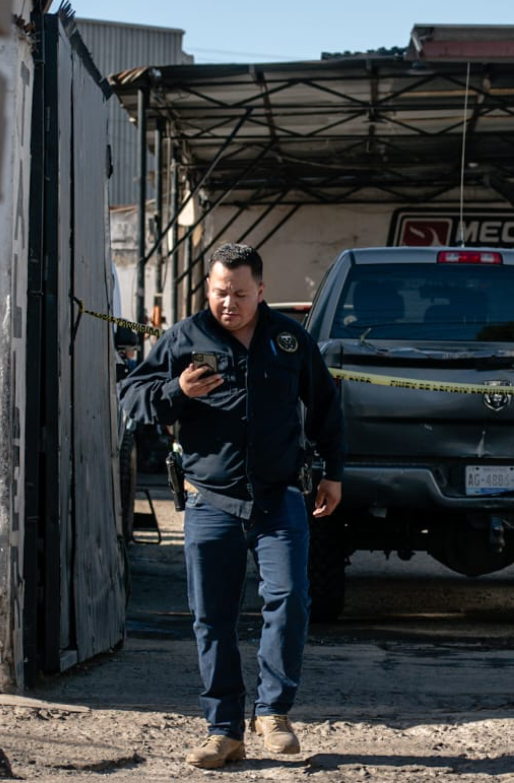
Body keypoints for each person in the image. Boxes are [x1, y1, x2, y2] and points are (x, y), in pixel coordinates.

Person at [118, 243, 346, 767]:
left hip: (279, 497)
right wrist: (176, 390)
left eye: (240, 293)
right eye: (221, 292)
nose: (229, 303)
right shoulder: (184, 338)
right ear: (208, 289)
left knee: (290, 602)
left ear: (261, 291)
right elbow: (131, 396)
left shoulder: (289, 340)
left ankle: (273, 712)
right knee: (212, 618)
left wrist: (333, 472)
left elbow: (327, 406)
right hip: (209, 503)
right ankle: (223, 730)